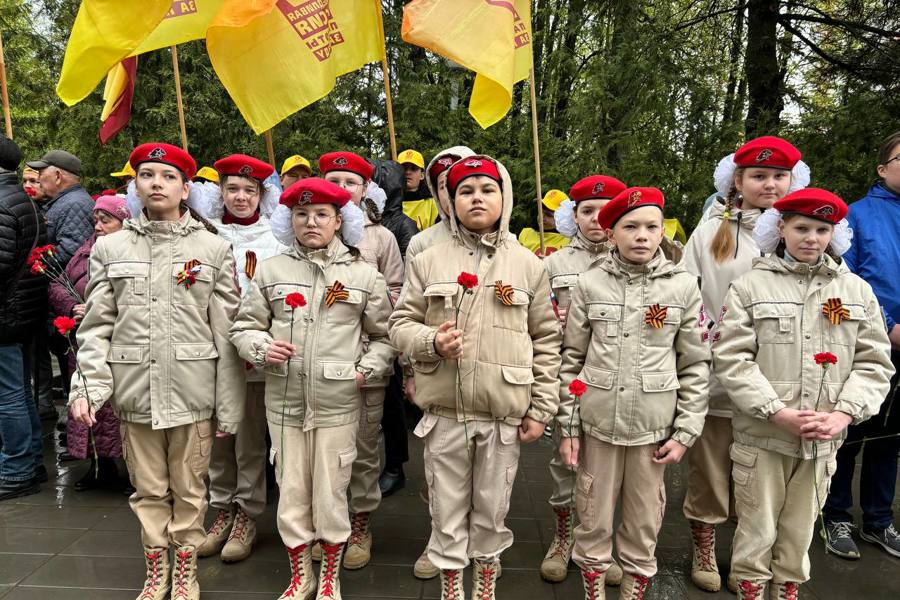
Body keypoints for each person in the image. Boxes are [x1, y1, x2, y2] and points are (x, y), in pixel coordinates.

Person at [68, 142, 245, 600]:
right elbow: (96, 327)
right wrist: (86, 388)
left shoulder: (213, 247)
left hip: (192, 394)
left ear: (187, 188)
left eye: (168, 176)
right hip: (135, 392)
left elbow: (226, 334)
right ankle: (156, 569)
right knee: (147, 490)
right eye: (147, 175)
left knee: (190, 490)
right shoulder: (110, 247)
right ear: (136, 186)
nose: (157, 183)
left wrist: (228, 408)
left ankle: (185, 570)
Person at [390, 155, 561, 600]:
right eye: (465, 191)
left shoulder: (529, 264)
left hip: (502, 414)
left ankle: (484, 586)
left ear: (504, 197)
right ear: (449, 199)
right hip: (445, 412)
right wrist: (432, 342)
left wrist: (541, 409)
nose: (476, 198)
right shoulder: (428, 259)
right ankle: (452, 590)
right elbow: (400, 324)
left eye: (487, 189)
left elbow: (546, 340)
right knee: (445, 511)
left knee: (492, 509)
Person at [714, 188, 894, 599]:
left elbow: (874, 363)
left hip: (822, 439)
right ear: (781, 228)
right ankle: (751, 583)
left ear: (835, 233)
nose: (810, 238)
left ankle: (788, 584)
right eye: (801, 228)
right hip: (763, 435)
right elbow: (732, 359)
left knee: (801, 523)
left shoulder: (856, 292)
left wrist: (843, 415)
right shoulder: (750, 286)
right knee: (757, 521)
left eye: (821, 229)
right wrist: (775, 411)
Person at [232, 177, 395, 600]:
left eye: (322, 214)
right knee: (291, 494)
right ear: (289, 219)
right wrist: (262, 346)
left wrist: (367, 370)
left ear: (340, 220)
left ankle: (328, 579)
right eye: (301, 214)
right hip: (283, 404)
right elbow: (245, 326)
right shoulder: (272, 270)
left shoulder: (363, 274)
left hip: (339, 404)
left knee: (331, 493)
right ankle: (300, 575)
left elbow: (384, 337)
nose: (311, 222)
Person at [558, 187, 710, 600]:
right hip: (599, 424)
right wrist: (569, 426)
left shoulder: (682, 287)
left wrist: (685, 432)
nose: (641, 235)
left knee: (645, 518)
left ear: (663, 232)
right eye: (630, 226)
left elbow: (695, 364)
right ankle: (594, 586)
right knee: (592, 512)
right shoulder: (589, 283)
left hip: (652, 429)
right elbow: (572, 358)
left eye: (651, 226)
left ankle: (633, 589)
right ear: (611, 234)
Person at [680, 136, 809, 593]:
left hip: (780, 379)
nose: (769, 184)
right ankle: (704, 541)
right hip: (720, 371)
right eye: (759, 175)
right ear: (738, 180)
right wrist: (701, 353)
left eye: (779, 176)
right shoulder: (711, 229)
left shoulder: (808, 228)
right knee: (712, 463)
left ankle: (751, 556)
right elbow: (689, 295)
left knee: (762, 472)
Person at [539, 174, 627, 586]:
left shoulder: (634, 259)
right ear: (572, 216)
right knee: (566, 460)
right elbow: (535, 324)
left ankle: (599, 543)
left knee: (609, 466)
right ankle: (562, 536)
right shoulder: (553, 264)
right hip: (570, 374)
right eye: (587, 211)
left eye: (604, 211)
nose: (596, 219)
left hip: (619, 377)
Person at [317, 151, 403, 570]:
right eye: (334, 179)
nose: (343, 188)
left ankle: (361, 524)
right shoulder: (307, 230)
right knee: (322, 454)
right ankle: (328, 525)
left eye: (351, 182)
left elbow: (398, 291)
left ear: (365, 188)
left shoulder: (380, 238)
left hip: (364, 363)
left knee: (365, 450)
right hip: (316, 367)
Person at [198, 154, 285, 564]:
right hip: (211, 353)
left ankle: (247, 513)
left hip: (253, 354)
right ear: (220, 192)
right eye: (232, 188)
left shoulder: (277, 240)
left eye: (250, 190)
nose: (240, 196)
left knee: (249, 436)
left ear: (263, 195)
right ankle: (222, 507)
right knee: (217, 437)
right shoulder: (204, 235)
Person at [822, 130, 900, 560]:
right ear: (882, 168)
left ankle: (878, 520)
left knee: (891, 439)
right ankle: (835, 516)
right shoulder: (855, 216)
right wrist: (887, 326)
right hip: (869, 342)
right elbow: (847, 278)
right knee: (850, 431)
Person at [48, 194, 131, 492]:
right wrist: (73, 307)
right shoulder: (85, 252)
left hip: (121, 341)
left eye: (106, 220)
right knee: (88, 406)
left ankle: (133, 471)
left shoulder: (133, 253)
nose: (98, 226)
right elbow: (58, 283)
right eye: (95, 220)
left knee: (119, 409)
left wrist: (104, 309)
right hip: (85, 341)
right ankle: (99, 467)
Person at [0, 136, 47, 501]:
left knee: (9, 396)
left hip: (6, 313)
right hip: (22, 310)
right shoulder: (22, 199)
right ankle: (30, 460)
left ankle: (16, 469)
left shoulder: (1, 202)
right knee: (20, 392)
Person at [26, 150, 94, 266]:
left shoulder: (75, 204)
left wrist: (34, 264)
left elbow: (70, 254)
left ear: (57, 176)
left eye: (41, 173)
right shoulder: (67, 201)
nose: (38, 179)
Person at [518, 189, 572, 256]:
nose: (541, 217)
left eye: (548, 215)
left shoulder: (570, 241)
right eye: (540, 212)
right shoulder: (526, 234)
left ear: (563, 218)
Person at [399, 149, 440, 231]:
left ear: (422, 175)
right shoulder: (389, 202)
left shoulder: (433, 204)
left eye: (413, 169)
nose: (408, 172)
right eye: (404, 168)